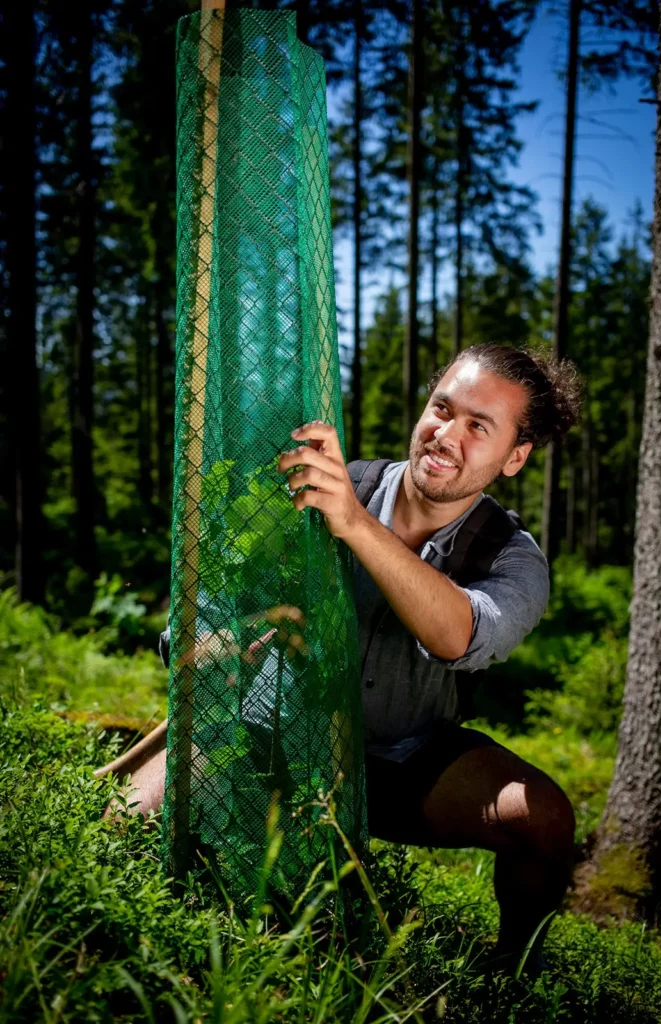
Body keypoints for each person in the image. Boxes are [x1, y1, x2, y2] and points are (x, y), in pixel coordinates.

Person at [98, 343, 581, 973]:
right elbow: (207, 613)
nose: (445, 435)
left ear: (514, 457)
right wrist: (219, 645)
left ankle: (514, 975)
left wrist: (355, 525)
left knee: (541, 815)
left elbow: (460, 637)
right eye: (442, 408)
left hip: (406, 766)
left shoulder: (513, 557)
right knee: (119, 830)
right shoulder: (331, 486)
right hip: (271, 738)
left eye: (478, 427)